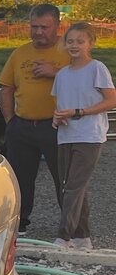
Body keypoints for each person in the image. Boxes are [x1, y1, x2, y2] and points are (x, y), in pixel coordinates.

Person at [0, 4, 72, 234]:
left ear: (58, 26)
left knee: (64, 178)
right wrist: (10, 121)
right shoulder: (20, 53)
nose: (38, 32)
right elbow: (6, 87)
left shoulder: (70, 51)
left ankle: (70, 227)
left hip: (57, 126)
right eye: (34, 26)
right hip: (22, 126)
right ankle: (20, 223)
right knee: (20, 178)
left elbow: (86, 84)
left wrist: (56, 72)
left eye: (44, 27)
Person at [50, 22, 116, 250]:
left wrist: (80, 112)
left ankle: (63, 237)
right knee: (74, 187)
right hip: (66, 135)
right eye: (70, 41)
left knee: (73, 186)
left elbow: (111, 100)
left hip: (90, 135)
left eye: (80, 41)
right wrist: (57, 117)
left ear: (91, 43)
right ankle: (82, 237)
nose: (74, 45)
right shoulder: (62, 74)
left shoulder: (97, 68)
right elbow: (60, 105)